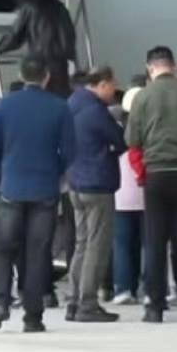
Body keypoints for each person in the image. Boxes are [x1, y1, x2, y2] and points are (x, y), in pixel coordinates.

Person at [0, 53, 77, 334]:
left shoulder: (5, 105)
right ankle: (33, 316)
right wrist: (53, 169)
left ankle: (0, 303)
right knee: (37, 253)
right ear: (46, 77)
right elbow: (70, 151)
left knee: (3, 249)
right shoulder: (59, 107)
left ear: (21, 76)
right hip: (45, 189)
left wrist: (9, 165)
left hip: (11, 187)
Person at [126, 46, 177, 324]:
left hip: (156, 174)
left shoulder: (143, 96)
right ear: (174, 65)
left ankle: (155, 306)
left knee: (155, 242)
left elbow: (132, 139)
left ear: (150, 68)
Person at [65, 67, 125, 322]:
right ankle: (88, 303)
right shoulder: (96, 110)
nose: (114, 90)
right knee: (97, 245)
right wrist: (111, 149)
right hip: (97, 183)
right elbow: (120, 140)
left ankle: (73, 299)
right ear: (101, 84)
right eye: (112, 85)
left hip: (74, 182)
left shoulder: (71, 104)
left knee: (81, 243)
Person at [111, 84, 145, 306]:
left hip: (119, 192)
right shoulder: (149, 127)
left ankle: (123, 288)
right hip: (145, 191)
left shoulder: (113, 127)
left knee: (122, 243)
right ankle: (150, 288)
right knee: (148, 244)